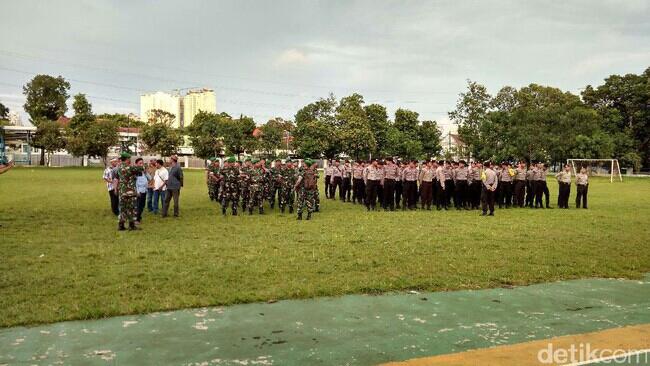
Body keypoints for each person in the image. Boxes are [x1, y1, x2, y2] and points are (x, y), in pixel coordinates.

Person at [115, 152, 144, 230]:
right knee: (131, 208)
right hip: (130, 191)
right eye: (129, 159)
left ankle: (121, 225)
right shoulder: (129, 167)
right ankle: (132, 225)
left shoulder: (119, 167)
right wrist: (141, 165)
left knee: (122, 208)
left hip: (122, 191)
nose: (130, 160)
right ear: (127, 159)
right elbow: (141, 168)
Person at [134, 158, 150, 223]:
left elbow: (150, 178)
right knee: (138, 205)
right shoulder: (135, 172)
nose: (141, 164)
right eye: (140, 163)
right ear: (136, 164)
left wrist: (146, 172)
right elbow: (135, 183)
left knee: (142, 205)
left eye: (142, 163)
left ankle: (139, 217)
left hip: (144, 190)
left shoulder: (143, 171)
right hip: (139, 191)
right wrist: (137, 191)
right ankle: (136, 219)